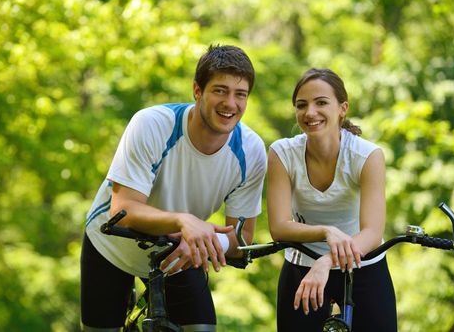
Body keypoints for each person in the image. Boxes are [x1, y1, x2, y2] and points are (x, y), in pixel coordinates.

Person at [80, 44, 267, 331]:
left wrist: (210, 242)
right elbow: (123, 210)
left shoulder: (251, 150)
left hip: (177, 252)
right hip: (112, 245)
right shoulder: (153, 124)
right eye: (220, 90)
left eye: (240, 94)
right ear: (197, 91)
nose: (231, 103)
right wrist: (185, 220)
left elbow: (243, 236)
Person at [267, 68, 397, 331]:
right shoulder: (282, 153)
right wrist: (327, 232)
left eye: (321, 102)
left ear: (342, 108)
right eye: (301, 105)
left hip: (363, 264)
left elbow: (372, 232)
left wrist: (327, 261)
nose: (310, 112)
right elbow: (279, 227)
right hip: (302, 264)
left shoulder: (367, 155)